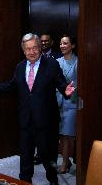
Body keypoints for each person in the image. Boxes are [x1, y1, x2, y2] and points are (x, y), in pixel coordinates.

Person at [0, 33, 75, 185]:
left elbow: (61, 83)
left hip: (46, 122)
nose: (32, 52)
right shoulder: (20, 67)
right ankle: (25, 181)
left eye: (35, 48)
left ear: (40, 48)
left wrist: (66, 91)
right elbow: (11, 86)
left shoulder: (51, 64)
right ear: (24, 51)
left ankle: (53, 181)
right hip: (26, 121)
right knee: (25, 159)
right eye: (28, 49)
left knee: (48, 158)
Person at [33, 33, 63, 165]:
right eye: (42, 41)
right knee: (38, 131)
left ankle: (51, 162)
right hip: (37, 103)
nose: (44, 43)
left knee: (50, 135)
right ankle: (39, 155)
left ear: (51, 42)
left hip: (52, 100)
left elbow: (59, 80)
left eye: (46, 41)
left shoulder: (57, 58)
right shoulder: (33, 59)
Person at [56, 34, 78, 174]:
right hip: (56, 102)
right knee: (60, 135)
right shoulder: (56, 62)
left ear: (72, 46)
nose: (62, 46)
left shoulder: (78, 62)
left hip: (72, 103)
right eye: (61, 43)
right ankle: (67, 160)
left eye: (65, 43)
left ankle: (65, 162)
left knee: (67, 134)